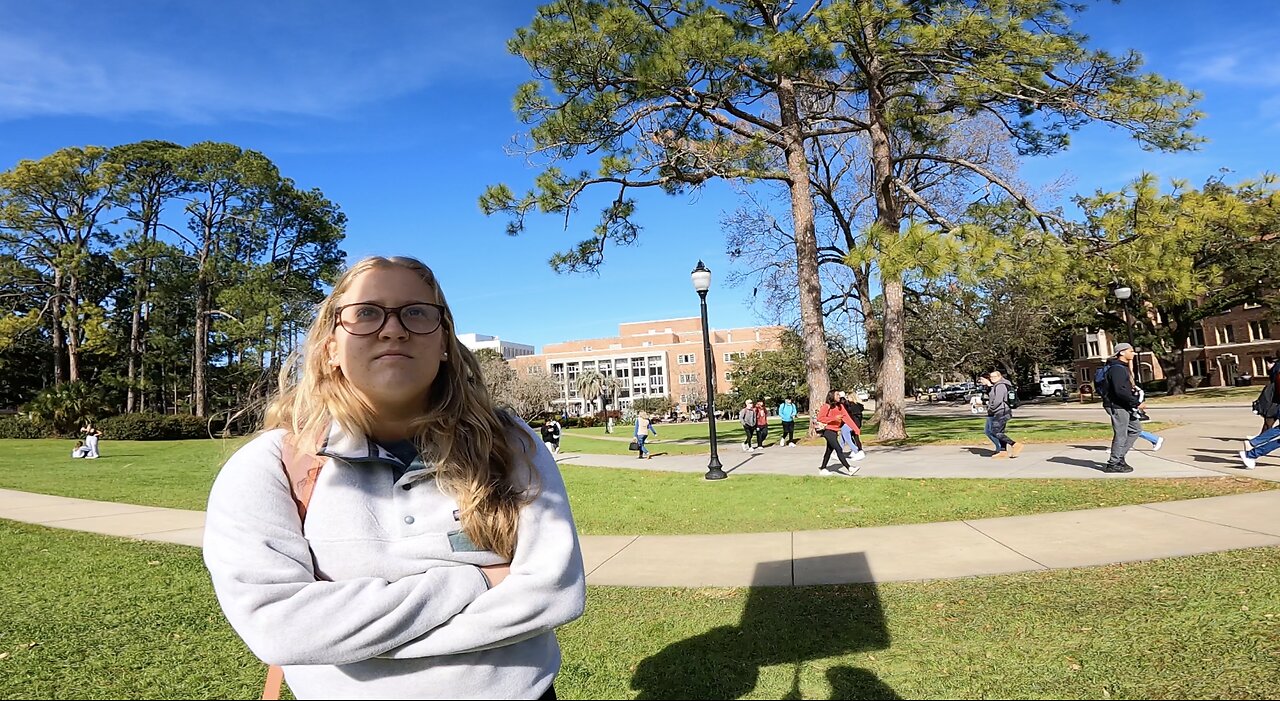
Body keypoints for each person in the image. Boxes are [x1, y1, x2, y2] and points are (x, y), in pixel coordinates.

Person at [202, 256, 586, 700]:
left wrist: (351, 641)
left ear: (444, 340)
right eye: (366, 313)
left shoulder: (509, 443)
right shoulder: (270, 465)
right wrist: (478, 580)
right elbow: (279, 629)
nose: (393, 329)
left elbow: (555, 592)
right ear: (330, 346)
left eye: (416, 312)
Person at [1098, 342, 1144, 473]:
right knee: (1121, 434)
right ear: (1122, 352)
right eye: (1131, 351)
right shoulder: (1117, 368)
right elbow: (1119, 391)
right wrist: (1136, 402)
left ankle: (1119, 457)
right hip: (1117, 405)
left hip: (1124, 405)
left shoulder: (1122, 367)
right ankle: (1113, 463)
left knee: (1136, 429)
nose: (1133, 353)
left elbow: (1123, 388)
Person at [979, 372, 1022, 459]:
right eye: (991, 377)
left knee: (995, 432)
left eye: (995, 376)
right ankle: (1003, 452)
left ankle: (1015, 444)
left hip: (1002, 411)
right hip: (1000, 411)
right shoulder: (997, 385)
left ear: (1000, 376)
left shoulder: (1000, 385)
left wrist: (990, 408)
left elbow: (998, 400)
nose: (992, 378)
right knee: (999, 432)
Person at [815, 391, 858, 476]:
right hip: (827, 430)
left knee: (829, 451)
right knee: (838, 449)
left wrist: (855, 429)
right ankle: (849, 468)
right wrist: (834, 418)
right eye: (837, 394)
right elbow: (820, 418)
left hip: (835, 431)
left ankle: (823, 468)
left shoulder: (840, 406)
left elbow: (847, 418)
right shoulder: (826, 406)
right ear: (832, 396)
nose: (839, 396)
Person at [837, 391, 866, 461]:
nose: (847, 399)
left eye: (848, 397)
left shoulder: (853, 406)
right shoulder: (856, 405)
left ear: (852, 398)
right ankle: (855, 450)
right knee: (851, 436)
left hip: (854, 423)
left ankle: (857, 451)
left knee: (848, 436)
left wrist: (842, 399)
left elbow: (847, 406)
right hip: (854, 423)